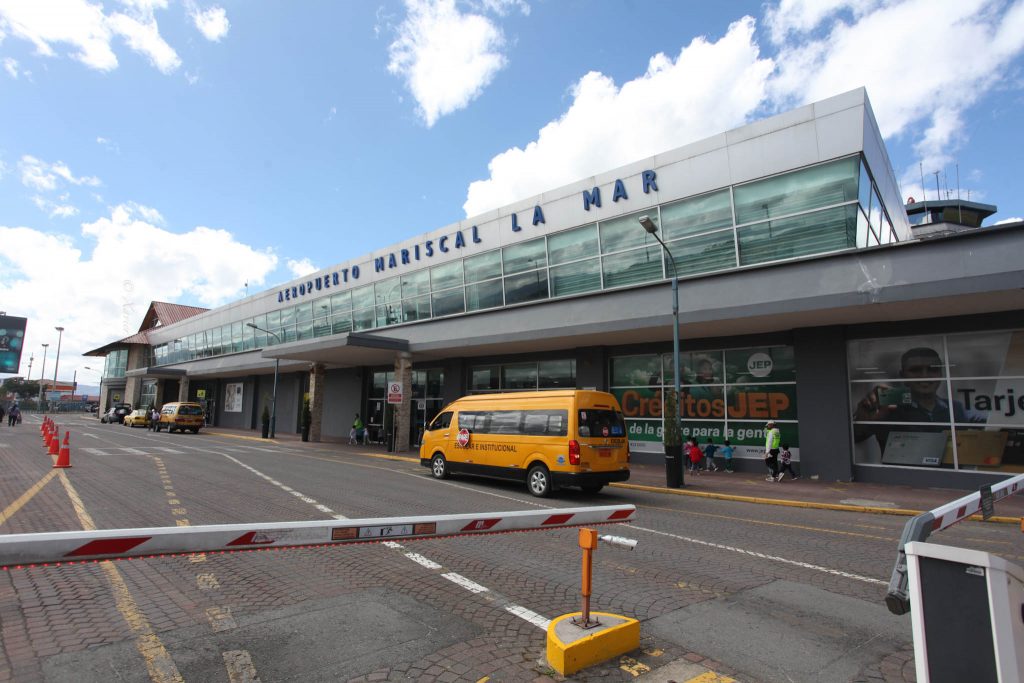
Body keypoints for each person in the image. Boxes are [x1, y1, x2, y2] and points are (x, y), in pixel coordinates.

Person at [853, 346, 985, 452]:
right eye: (915, 370)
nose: (924, 376)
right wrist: (863, 420)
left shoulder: (956, 408)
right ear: (902, 375)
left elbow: (988, 423)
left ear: (941, 374)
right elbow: (852, 439)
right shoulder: (888, 409)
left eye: (932, 369)